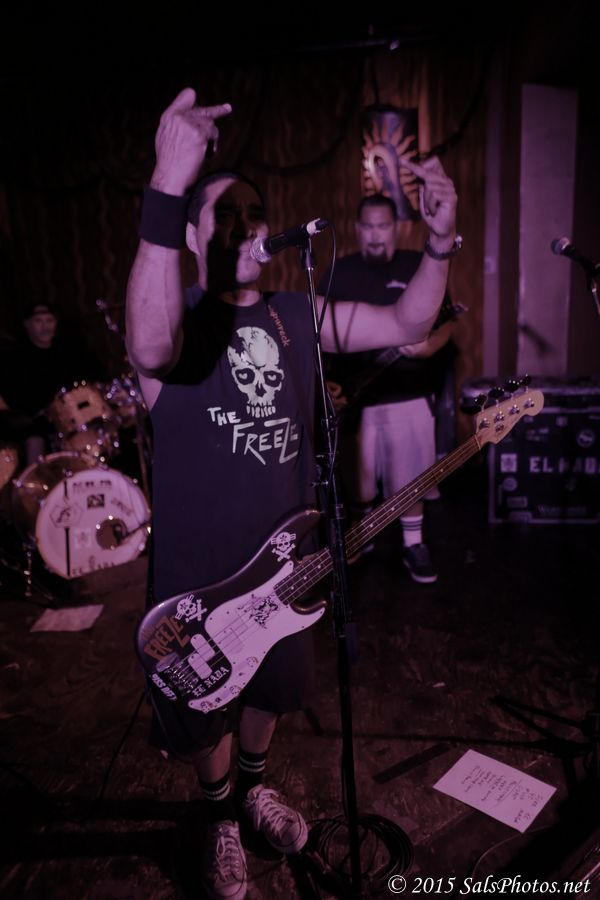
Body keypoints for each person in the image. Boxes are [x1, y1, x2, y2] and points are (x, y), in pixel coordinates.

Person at [125, 87, 457, 899]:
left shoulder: (297, 314)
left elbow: (409, 323)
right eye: (224, 215)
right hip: (199, 568)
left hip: (286, 561)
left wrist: (441, 240)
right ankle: (217, 814)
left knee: (272, 685)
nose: (245, 226)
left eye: (254, 212)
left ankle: (253, 787)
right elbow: (149, 346)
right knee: (204, 699)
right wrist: (168, 184)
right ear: (193, 237)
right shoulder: (175, 317)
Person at [322, 193, 458, 584]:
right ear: (356, 229)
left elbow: (448, 320)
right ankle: (361, 537)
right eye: (368, 226)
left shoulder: (418, 264)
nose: (375, 234)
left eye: (383, 226)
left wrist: (429, 346)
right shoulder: (337, 271)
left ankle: (414, 544)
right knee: (357, 481)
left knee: (410, 478)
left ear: (396, 228)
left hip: (407, 392)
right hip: (354, 399)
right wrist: (325, 383)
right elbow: (319, 334)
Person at [0, 303, 106, 464]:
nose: (45, 327)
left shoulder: (67, 353)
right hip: (36, 424)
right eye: (38, 321)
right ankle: (35, 479)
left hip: (70, 422)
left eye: (49, 320)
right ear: (27, 324)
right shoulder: (15, 359)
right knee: (35, 437)